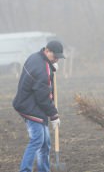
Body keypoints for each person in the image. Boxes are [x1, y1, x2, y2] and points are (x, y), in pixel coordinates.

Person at [13, 40, 65, 172]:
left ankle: (44, 169)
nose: (56, 60)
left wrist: (51, 68)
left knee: (45, 142)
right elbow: (43, 97)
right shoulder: (42, 69)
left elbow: (43, 90)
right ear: (47, 51)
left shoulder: (35, 57)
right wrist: (54, 115)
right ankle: (25, 170)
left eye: (58, 58)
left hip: (33, 104)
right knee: (37, 140)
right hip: (30, 107)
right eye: (55, 57)